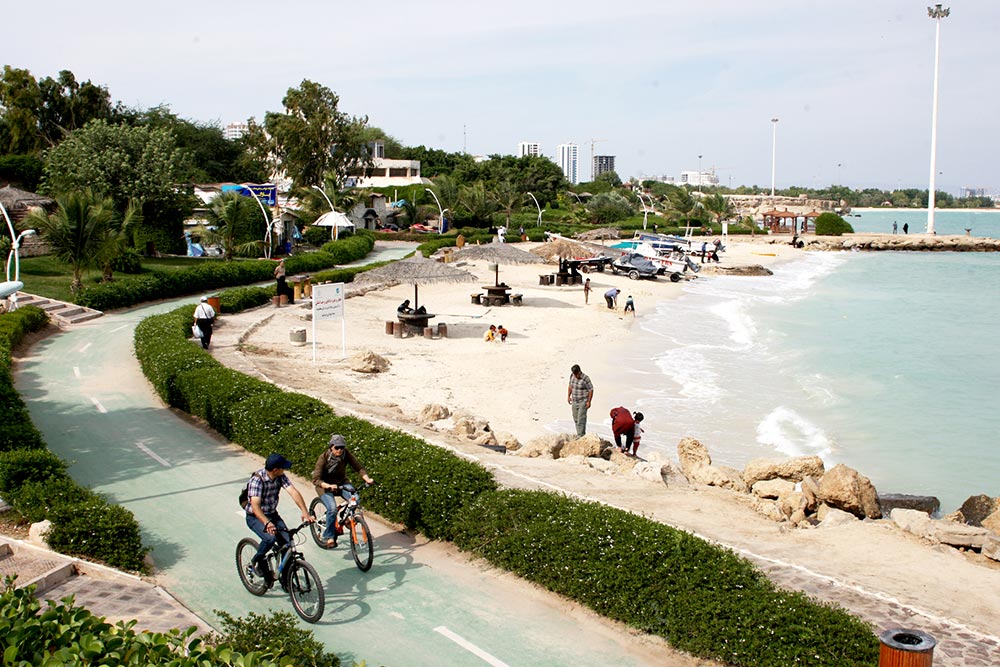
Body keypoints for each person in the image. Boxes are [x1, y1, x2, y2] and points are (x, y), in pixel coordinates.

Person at [243, 453, 313, 584]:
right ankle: (255, 562)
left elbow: (293, 492)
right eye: (283, 468)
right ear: (275, 470)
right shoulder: (257, 480)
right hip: (255, 517)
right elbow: (255, 507)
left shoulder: (280, 477)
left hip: (272, 514)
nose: (285, 470)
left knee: (287, 544)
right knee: (270, 539)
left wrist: (305, 512)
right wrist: (267, 523)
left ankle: (285, 581)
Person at [312, 434, 374, 547]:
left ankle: (344, 518)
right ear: (331, 447)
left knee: (355, 499)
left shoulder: (346, 454)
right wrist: (328, 486)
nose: (339, 450)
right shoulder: (324, 458)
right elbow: (316, 479)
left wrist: (367, 479)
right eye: (337, 448)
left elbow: (358, 467)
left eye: (342, 447)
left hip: (341, 483)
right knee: (332, 509)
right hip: (324, 486)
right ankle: (330, 537)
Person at [567, 364, 594, 437]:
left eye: (577, 374)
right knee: (576, 418)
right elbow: (570, 386)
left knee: (581, 420)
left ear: (579, 372)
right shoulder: (572, 376)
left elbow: (591, 390)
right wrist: (568, 396)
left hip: (583, 401)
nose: (576, 376)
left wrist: (589, 401)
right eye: (574, 374)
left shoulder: (585, 378)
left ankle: (580, 435)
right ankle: (579, 434)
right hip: (574, 401)